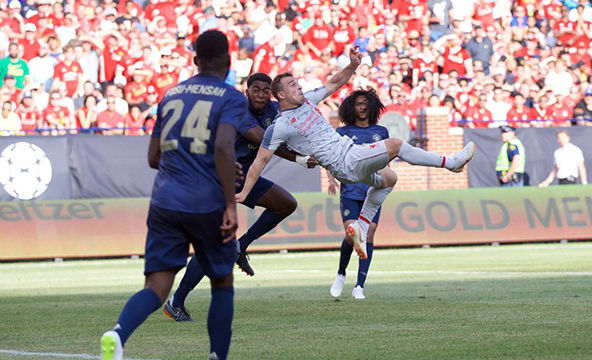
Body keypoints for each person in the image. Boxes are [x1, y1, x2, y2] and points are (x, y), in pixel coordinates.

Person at [237, 46, 475, 262]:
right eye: (293, 85)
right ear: (280, 96)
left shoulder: (308, 100)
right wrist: (245, 192)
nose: (299, 87)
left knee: (390, 179)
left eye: (298, 83)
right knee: (394, 144)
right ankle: (450, 163)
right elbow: (259, 162)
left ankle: (361, 226)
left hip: (350, 156)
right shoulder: (280, 126)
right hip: (344, 163)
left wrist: (352, 65)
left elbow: (334, 83)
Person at [100, 30, 244, 360]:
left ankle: (118, 334)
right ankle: (216, 356)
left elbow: (153, 158)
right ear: (229, 61)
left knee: (156, 287)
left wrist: (198, 162)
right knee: (222, 282)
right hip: (206, 202)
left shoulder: (171, 95)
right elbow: (223, 146)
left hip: (165, 201)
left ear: (195, 61)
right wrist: (230, 204)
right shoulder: (230, 97)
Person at [162, 72, 318, 322]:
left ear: (272, 93)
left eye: (265, 90)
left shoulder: (274, 109)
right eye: (255, 89)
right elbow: (264, 140)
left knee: (286, 204)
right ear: (246, 91)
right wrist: (300, 158)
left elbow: (299, 113)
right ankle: (176, 302)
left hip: (243, 175)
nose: (260, 95)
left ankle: (240, 246)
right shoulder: (237, 111)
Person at [327, 89, 388, 300]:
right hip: (351, 190)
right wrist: (331, 179)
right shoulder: (343, 132)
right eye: (358, 104)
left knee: (369, 234)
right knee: (352, 234)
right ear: (351, 107)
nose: (362, 107)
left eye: (365, 104)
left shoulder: (382, 131)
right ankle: (341, 273)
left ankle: (359, 286)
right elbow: (331, 157)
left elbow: (386, 162)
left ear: (372, 106)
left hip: (373, 191)